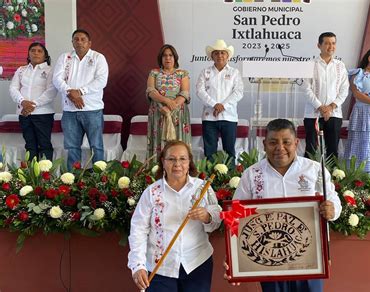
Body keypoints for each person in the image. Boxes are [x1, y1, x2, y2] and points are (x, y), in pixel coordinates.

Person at [227, 119, 341, 292]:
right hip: (269, 261)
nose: (280, 148)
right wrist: (232, 257)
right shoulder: (252, 175)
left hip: (310, 259)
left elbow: (335, 203)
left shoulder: (314, 170)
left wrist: (332, 210)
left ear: (296, 143)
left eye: (286, 142)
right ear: (264, 144)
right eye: (273, 142)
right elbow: (235, 216)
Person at [128, 140, 222, 292]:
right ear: (163, 162)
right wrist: (138, 265)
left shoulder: (203, 188)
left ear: (189, 162)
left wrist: (207, 216)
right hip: (160, 267)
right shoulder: (152, 192)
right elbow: (138, 230)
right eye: (171, 159)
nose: (177, 164)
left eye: (182, 159)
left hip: (197, 264)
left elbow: (217, 219)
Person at [52, 29, 109, 170]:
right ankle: (72, 180)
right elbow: (56, 79)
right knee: (72, 148)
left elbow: (101, 81)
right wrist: (70, 93)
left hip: (92, 110)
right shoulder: (65, 57)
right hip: (69, 111)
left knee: (96, 146)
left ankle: (100, 180)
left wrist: (80, 92)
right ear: (72, 42)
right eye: (76, 39)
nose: (79, 42)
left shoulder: (98, 58)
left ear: (89, 43)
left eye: (83, 39)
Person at [303, 32, 349, 160]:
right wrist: (320, 107)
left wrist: (331, 107)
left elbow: (344, 89)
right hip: (313, 114)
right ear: (319, 45)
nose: (331, 46)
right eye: (327, 43)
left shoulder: (340, 65)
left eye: (333, 43)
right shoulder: (310, 64)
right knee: (311, 149)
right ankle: (309, 178)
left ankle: (333, 178)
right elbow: (306, 89)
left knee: (332, 149)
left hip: (334, 114)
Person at [196, 39, 244, 162]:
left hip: (229, 116)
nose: (220, 55)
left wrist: (223, 106)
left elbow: (238, 92)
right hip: (209, 117)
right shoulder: (205, 72)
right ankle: (210, 179)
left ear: (228, 55)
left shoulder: (234, 73)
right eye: (216, 53)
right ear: (212, 56)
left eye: (223, 53)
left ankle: (231, 179)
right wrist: (214, 104)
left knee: (229, 151)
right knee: (209, 151)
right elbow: (200, 91)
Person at [9, 42, 57, 161]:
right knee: (30, 146)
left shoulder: (51, 70)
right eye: (33, 50)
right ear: (28, 54)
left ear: (45, 56)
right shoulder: (21, 70)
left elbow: (51, 91)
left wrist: (33, 105)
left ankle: (45, 178)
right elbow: (13, 88)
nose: (35, 53)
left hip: (43, 114)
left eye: (39, 51)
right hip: (24, 113)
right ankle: (32, 177)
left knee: (45, 145)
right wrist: (22, 101)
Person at [146, 44, 191, 163]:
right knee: (160, 144)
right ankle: (156, 171)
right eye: (165, 56)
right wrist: (165, 101)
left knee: (178, 144)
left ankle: (180, 171)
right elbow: (150, 91)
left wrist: (171, 107)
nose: (168, 58)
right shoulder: (154, 73)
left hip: (177, 115)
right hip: (158, 113)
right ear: (160, 58)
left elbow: (185, 93)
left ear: (175, 58)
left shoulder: (183, 73)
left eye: (170, 55)